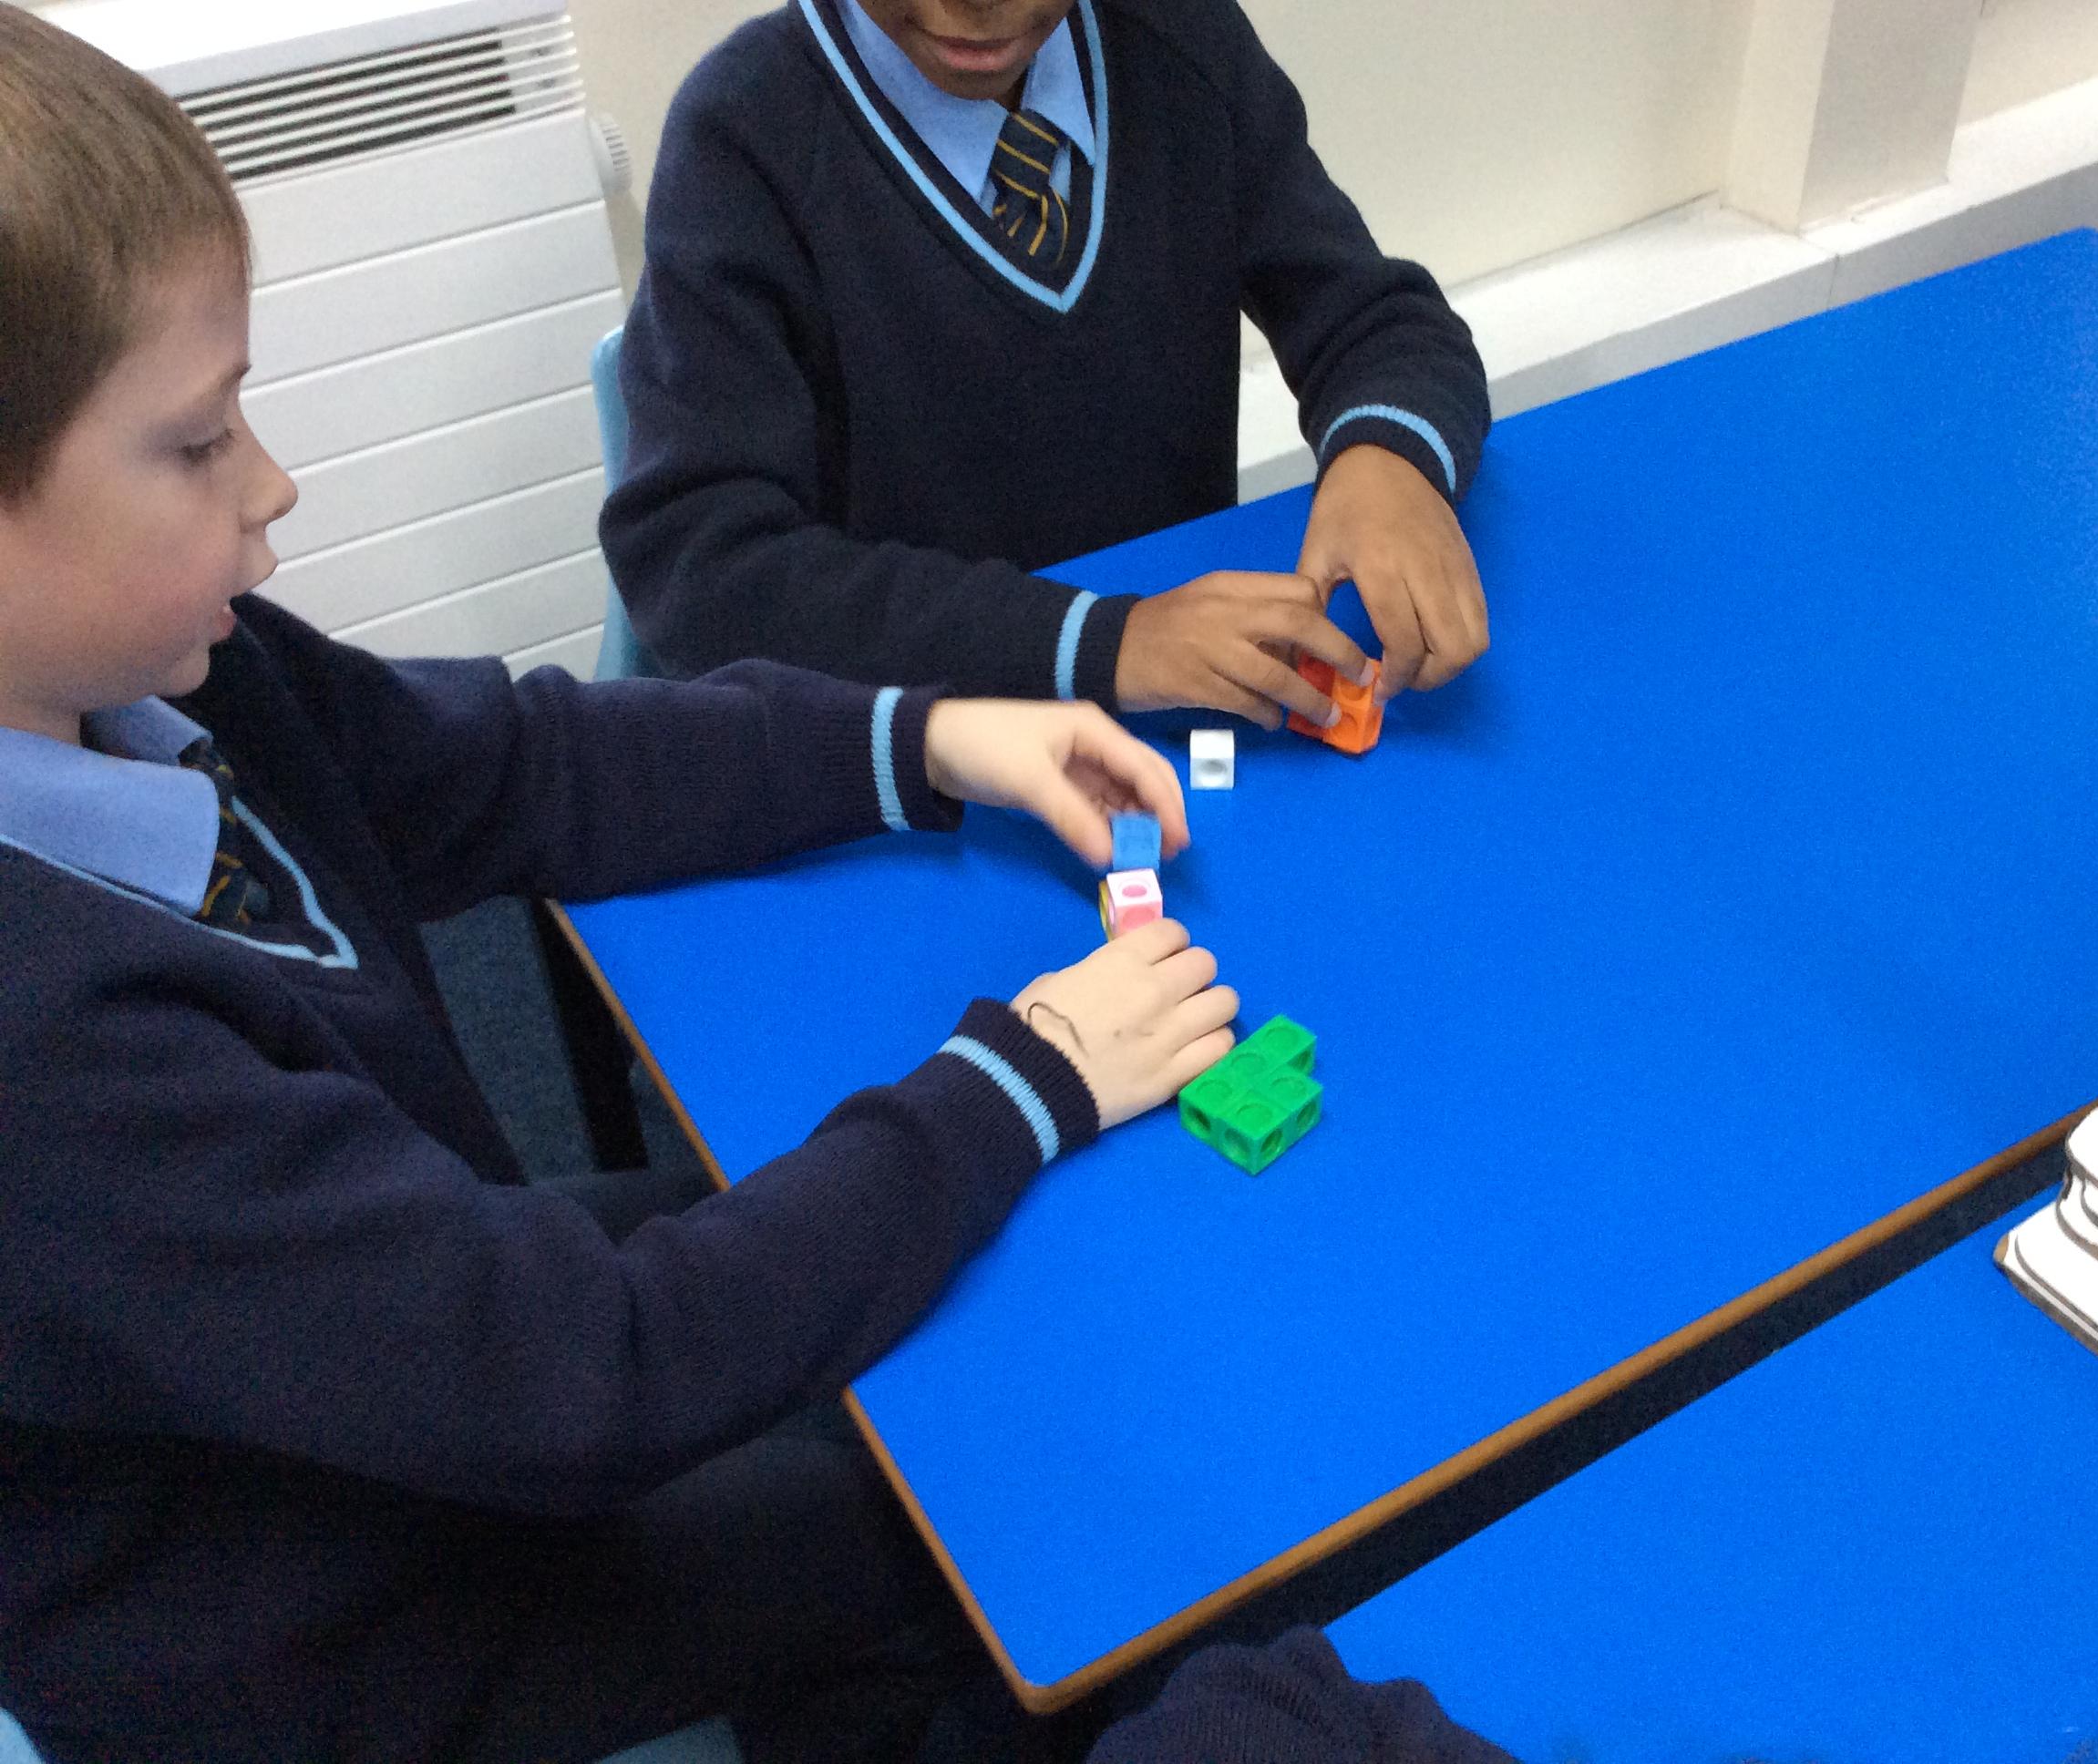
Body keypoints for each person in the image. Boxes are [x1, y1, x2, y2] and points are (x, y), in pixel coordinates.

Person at [0, 13, 1240, 1757]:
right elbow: (595, 1375)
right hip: (351, 1632)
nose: (273, 485)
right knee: (991, 1509)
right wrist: (1025, 1074)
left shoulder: (177, 676)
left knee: (896, 1278)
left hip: (415, 1353)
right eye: (197, 444)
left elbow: (526, 764)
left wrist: (928, 736)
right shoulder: (51, 1052)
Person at [601, 0, 1493, 734]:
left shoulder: (1182, 43)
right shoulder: (742, 136)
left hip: (1176, 733)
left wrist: (1387, 461)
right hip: (909, 761)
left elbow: (1381, 321)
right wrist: (1101, 644)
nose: (979, 5)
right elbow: (704, 569)